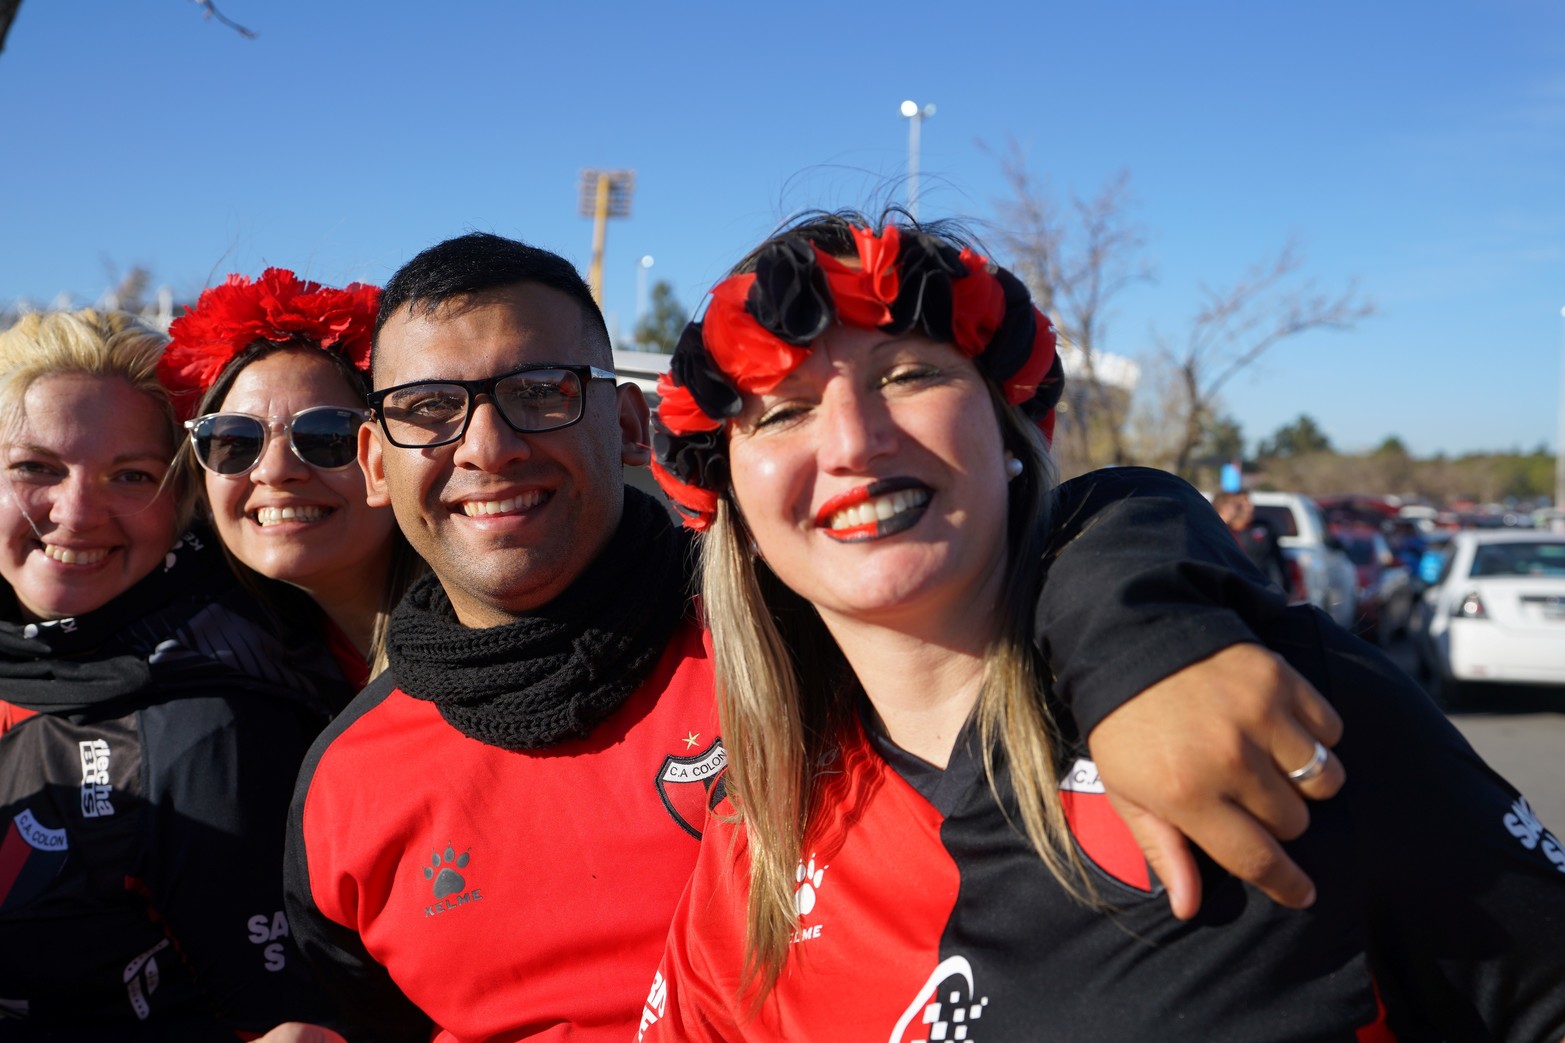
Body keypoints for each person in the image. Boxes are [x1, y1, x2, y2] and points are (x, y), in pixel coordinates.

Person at [285, 232, 1343, 1043]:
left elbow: (978, 550)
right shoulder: (342, 781)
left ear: (624, 425)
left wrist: (1137, 637)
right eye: (426, 408)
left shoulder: (802, 629)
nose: (487, 445)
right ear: (376, 461)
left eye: (537, 392)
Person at [639, 214, 1565, 1040]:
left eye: (909, 374)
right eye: (786, 410)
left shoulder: (1269, 692)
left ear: (1008, 435)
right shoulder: (754, 836)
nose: (850, 440)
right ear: (733, 509)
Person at [0, 310, 343, 1040]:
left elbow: (291, 1026)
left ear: (182, 504)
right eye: (35, 467)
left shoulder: (208, 730)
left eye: (132, 475)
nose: (77, 511)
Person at [160, 268, 423, 685]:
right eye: (236, 441)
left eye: (326, 435)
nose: (275, 470)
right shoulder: (228, 669)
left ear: (386, 456)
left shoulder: (491, 655)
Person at [1213, 488, 1291, 595]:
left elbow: (1278, 561)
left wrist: (1286, 589)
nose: (1249, 507)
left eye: (1249, 503)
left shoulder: (1263, 527)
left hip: (1262, 589)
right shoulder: (1221, 531)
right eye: (1241, 504)